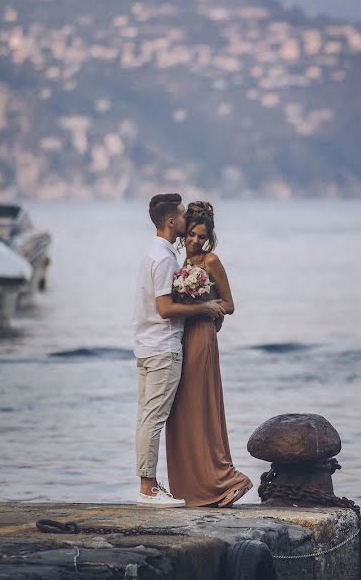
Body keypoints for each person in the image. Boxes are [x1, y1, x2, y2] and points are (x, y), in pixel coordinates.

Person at [134, 194, 225, 507]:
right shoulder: (165, 258)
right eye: (183, 217)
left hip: (149, 345)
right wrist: (204, 305)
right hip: (162, 346)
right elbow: (164, 308)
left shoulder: (156, 252)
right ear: (171, 221)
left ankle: (151, 484)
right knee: (154, 419)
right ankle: (148, 489)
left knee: (148, 417)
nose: (187, 222)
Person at [165, 202, 253, 507]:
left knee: (201, 407)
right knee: (180, 411)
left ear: (208, 237)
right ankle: (191, 487)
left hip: (201, 338)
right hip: (180, 337)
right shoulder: (177, 261)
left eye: (201, 236)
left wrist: (202, 302)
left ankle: (226, 479)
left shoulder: (211, 262)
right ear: (184, 231)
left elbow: (229, 304)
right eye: (191, 234)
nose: (194, 241)